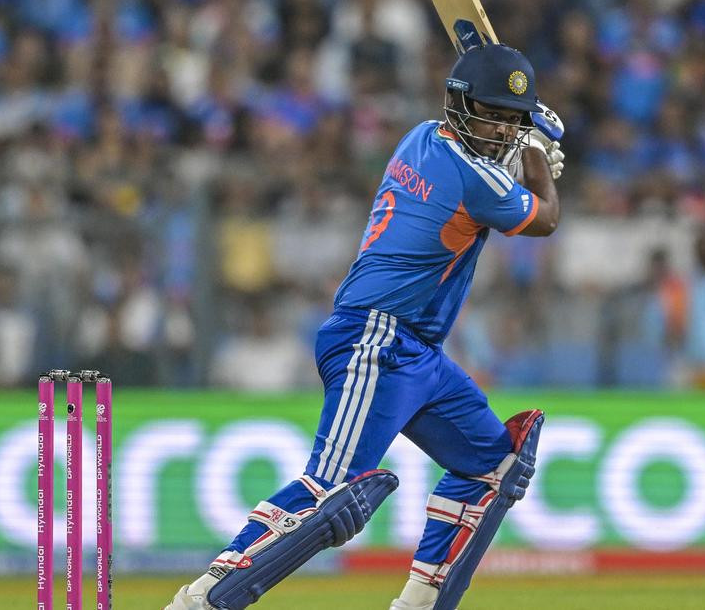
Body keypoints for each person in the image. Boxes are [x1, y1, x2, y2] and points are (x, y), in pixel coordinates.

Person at [166, 43, 564, 610]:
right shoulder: (476, 179)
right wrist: (542, 166)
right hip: (375, 340)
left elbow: (490, 170)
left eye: (510, 120)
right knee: (330, 496)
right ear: (459, 105)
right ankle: (199, 602)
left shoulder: (421, 137)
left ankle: (421, 603)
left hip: (417, 351)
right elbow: (545, 219)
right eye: (491, 114)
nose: (500, 130)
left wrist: (524, 150)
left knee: (496, 466)